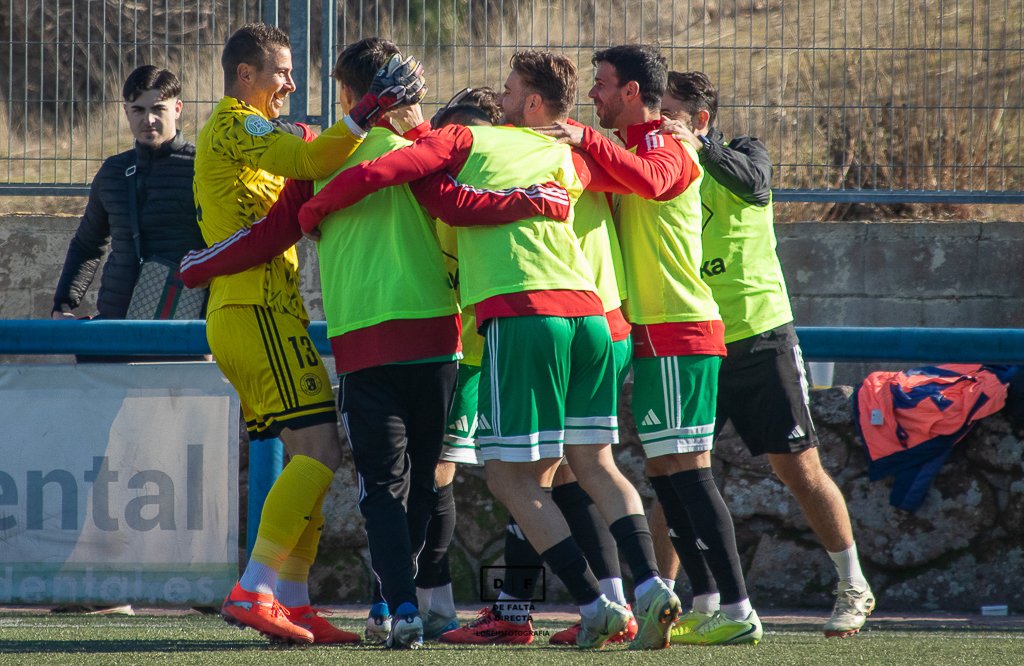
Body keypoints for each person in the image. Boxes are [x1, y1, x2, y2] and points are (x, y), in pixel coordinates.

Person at [181, 44, 569, 647]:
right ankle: (587, 598)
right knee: (483, 477)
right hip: (466, 338)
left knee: (388, 486)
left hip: (369, 345)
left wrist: (202, 265)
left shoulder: (328, 162)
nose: (291, 86)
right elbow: (458, 212)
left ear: (350, 96)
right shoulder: (438, 154)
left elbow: (280, 225)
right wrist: (528, 201)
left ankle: (398, 606)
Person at [297, 50, 681, 651]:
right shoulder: (567, 151)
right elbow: (655, 180)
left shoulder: (469, 140)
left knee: (509, 478)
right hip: (597, 320)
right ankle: (650, 586)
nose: (497, 103)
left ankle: (593, 603)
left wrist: (316, 207)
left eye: (506, 92)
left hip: (524, 315)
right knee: (597, 465)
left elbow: (389, 174)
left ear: (530, 102)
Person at [195, 23, 424, 645]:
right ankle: (254, 588)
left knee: (311, 454)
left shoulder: (254, 130)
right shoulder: (234, 122)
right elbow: (308, 158)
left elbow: (306, 153)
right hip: (256, 310)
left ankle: (291, 600)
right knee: (321, 448)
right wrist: (370, 110)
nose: (293, 84)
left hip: (261, 311)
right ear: (247, 76)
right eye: (282, 72)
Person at [537, 44, 762, 646]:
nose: (594, 95)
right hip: (652, 334)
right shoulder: (634, 146)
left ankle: (739, 608)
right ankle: (711, 599)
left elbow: (657, 184)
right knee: (667, 474)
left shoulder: (667, 142)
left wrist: (583, 136)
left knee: (689, 473)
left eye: (603, 84)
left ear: (633, 90)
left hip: (681, 329)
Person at [658, 70, 875, 639]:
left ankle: (854, 586)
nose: (659, 122)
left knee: (797, 468)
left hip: (758, 335)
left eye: (670, 113)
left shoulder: (742, 153)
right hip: (691, 338)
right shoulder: (658, 167)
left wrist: (696, 146)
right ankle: (665, 600)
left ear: (700, 119)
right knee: (674, 470)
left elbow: (753, 182)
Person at [52, 65, 203, 322]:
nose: (149, 119)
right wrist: (63, 305)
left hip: (183, 320)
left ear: (177, 109)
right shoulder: (113, 172)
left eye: (158, 109)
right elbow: (87, 245)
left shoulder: (202, 167)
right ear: (126, 111)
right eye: (138, 110)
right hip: (118, 318)